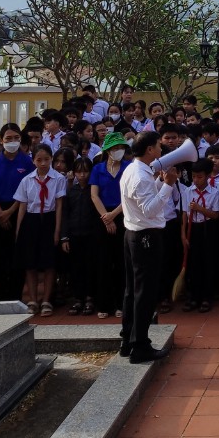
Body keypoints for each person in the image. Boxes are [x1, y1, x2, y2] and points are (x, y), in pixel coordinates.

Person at [118, 131, 176, 363]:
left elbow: (144, 198)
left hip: (134, 234)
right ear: (150, 149)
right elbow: (150, 209)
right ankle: (140, 345)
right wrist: (168, 185)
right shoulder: (140, 175)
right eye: (158, 146)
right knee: (145, 292)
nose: (161, 150)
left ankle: (128, 340)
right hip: (145, 237)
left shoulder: (135, 170)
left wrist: (160, 182)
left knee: (132, 290)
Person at [0, 124, 35, 302]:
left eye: (16, 138)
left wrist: (11, 211)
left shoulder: (27, 162)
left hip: (18, 210)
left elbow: (28, 190)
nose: (12, 142)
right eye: (8, 138)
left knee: (16, 257)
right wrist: (0, 213)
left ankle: (15, 298)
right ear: (1, 141)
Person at [14, 145, 66, 315]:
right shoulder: (27, 180)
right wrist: (19, 230)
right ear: (33, 160)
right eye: (39, 160)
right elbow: (23, 206)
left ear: (51, 159)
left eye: (46, 159)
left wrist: (57, 230)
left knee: (49, 262)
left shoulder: (58, 179)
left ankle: (46, 300)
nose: (43, 163)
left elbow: (59, 206)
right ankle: (33, 299)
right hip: (31, 220)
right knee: (30, 263)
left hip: (49, 219)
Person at [90, 132, 129, 318]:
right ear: (107, 150)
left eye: (121, 148)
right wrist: (106, 217)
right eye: (114, 148)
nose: (118, 151)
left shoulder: (128, 167)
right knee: (103, 262)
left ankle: (122, 303)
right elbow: (94, 195)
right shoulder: (97, 169)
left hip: (123, 216)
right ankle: (103, 304)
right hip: (102, 216)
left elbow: (130, 195)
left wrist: (114, 215)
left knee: (122, 262)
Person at [180, 157, 219, 312]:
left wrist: (199, 208)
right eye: (194, 176)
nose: (196, 180)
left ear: (208, 176)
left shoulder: (214, 193)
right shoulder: (187, 191)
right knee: (193, 264)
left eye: (200, 177)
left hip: (208, 228)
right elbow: (184, 214)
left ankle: (206, 297)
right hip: (192, 228)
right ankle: (193, 296)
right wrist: (183, 235)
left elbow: (216, 215)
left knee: (208, 262)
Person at [62, 156, 100, 315]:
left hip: (91, 235)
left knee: (90, 266)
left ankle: (90, 298)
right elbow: (65, 214)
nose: (82, 175)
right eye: (79, 172)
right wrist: (65, 237)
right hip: (74, 235)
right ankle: (78, 298)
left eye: (85, 171)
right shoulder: (71, 191)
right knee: (76, 267)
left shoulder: (95, 191)